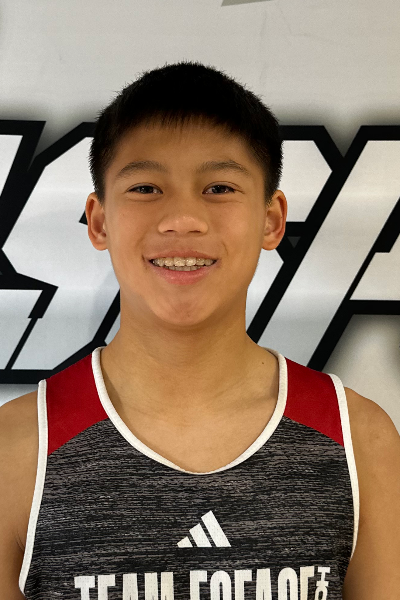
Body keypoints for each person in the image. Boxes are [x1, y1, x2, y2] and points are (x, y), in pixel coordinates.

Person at [1, 60, 399, 600]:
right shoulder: (17, 449)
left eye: (219, 187)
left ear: (271, 220)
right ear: (98, 220)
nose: (183, 218)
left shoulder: (360, 441)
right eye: (146, 187)